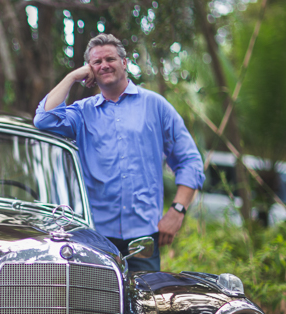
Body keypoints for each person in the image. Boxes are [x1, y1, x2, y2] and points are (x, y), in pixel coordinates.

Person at [33, 33, 204, 272]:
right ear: (89, 69)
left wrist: (178, 210)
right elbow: (43, 120)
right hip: (95, 237)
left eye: (110, 59)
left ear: (124, 62)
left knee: (145, 296)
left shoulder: (156, 106)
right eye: (96, 62)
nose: (104, 65)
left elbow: (190, 161)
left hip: (143, 240)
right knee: (94, 297)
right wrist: (72, 77)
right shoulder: (82, 112)